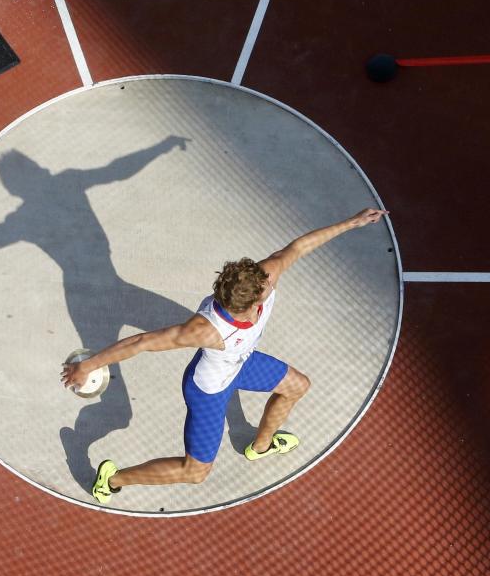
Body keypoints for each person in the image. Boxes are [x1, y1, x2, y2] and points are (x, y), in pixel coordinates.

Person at [61, 207, 389, 504]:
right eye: (260, 298)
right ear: (241, 306)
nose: (267, 295)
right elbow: (143, 342)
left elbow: (299, 247)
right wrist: (88, 365)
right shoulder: (205, 331)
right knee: (195, 472)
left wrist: (354, 222)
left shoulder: (265, 276)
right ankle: (113, 479)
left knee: (297, 385)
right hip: (209, 390)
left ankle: (260, 446)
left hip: (241, 363)